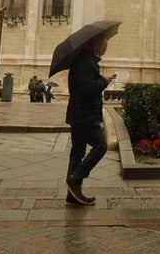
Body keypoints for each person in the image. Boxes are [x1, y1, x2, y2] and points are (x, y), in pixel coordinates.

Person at [65, 35, 115, 206]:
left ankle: (72, 195)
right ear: (97, 44)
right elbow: (88, 87)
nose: (105, 50)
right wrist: (104, 81)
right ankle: (75, 178)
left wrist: (101, 78)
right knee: (101, 146)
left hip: (79, 114)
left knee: (77, 152)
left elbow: (86, 83)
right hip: (84, 115)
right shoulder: (86, 62)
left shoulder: (84, 61)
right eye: (104, 46)